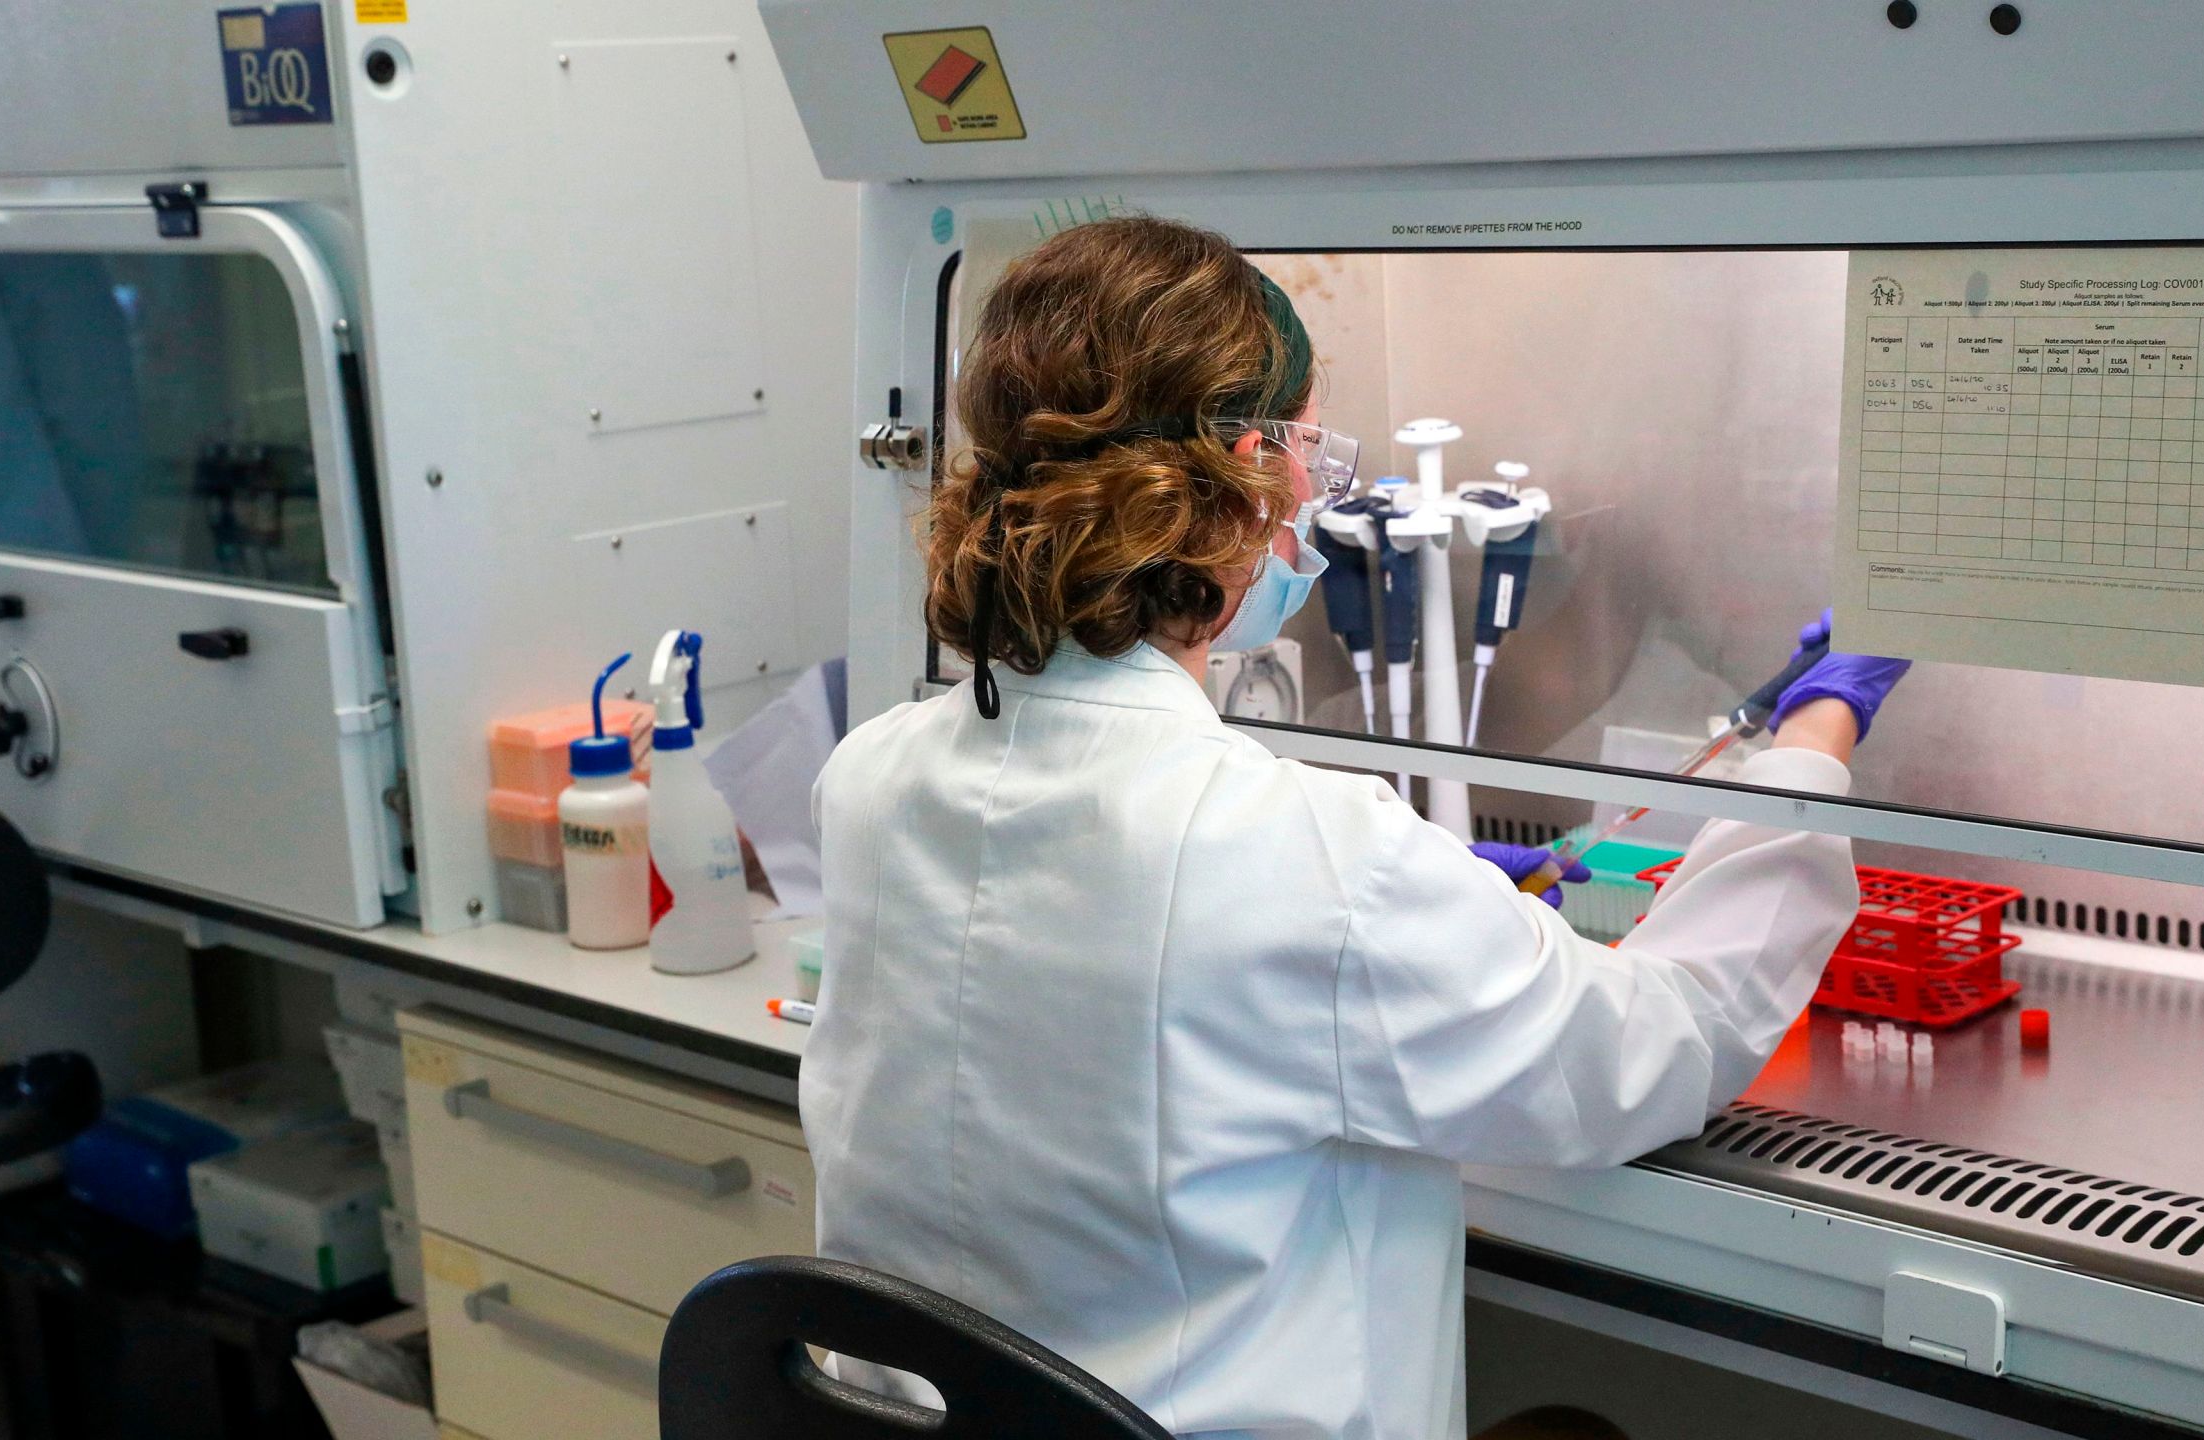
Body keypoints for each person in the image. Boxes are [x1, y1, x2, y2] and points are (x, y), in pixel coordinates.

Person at [802, 216, 1907, 1440]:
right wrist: (1806, 750)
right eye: (1306, 455)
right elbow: (1651, 1053)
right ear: (1236, 478)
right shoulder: (1300, 856)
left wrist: (1422, 905)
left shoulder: (871, 779)